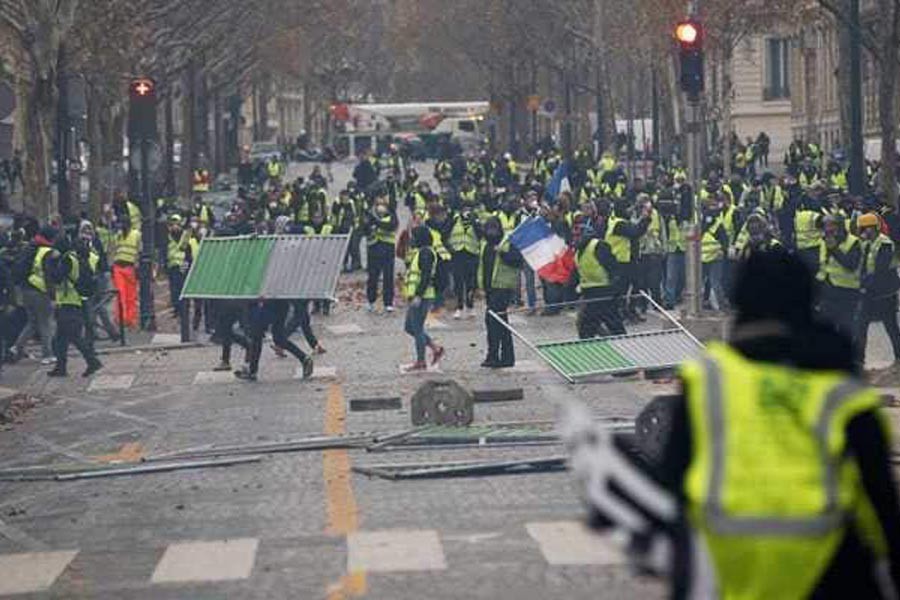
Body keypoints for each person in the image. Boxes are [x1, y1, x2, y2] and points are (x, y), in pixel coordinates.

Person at [651, 249, 900, 598]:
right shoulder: (840, 388)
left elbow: (672, 481)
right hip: (825, 564)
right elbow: (880, 498)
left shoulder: (708, 379)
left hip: (723, 558)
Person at [47, 235, 102, 378]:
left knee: (74, 336)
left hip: (69, 302)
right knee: (60, 339)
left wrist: (52, 261)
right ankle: (61, 368)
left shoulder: (67, 260)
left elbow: (57, 277)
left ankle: (92, 361)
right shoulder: (75, 258)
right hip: (73, 300)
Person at [816, 214, 862, 359]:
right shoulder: (825, 241)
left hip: (848, 291)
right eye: (825, 226)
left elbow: (851, 265)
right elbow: (823, 266)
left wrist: (834, 249)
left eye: (831, 225)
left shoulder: (853, 242)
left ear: (840, 226)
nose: (828, 229)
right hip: (829, 289)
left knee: (846, 327)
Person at [478, 217, 522, 368]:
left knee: (495, 322)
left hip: (503, 287)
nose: (491, 233)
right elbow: (482, 266)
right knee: (499, 323)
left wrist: (502, 253)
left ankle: (496, 356)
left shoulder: (507, 242)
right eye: (488, 229)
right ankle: (502, 357)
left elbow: (517, 260)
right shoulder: (485, 244)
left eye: (494, 229)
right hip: (490, 288)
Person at [858, 212, 900, 368]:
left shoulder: (885, 243)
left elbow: (880, 269)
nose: (864, 232)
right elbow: (864, 266)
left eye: (867, 228)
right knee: (861, 325)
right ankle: (859, 360)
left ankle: (898, 359)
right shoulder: (866, 243)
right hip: (871, 291)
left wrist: (866, 283)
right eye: (862, 228)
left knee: (891, 326)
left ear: (875, 228)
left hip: (885, 291)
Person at [236, 299, 313, 382]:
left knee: (257, 335)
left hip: (268, 304)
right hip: (276, 304)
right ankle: (304, 359)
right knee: (277, 338)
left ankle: (252, 371)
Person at [402, 225, 445, 372]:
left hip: (422, 296)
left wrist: (418, 295)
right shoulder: (421, 252)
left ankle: (421, 361)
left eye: (414, 236)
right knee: (409, 327)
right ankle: (435, 348)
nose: (412, 239)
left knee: (417, 328)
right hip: (417, 296)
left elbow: (425, 276)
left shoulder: (426, 253)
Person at [12, 226, 58, 364]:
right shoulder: (47, 251)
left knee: (33, 322)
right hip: (40, 290)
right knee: (45, 323)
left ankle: (17, 347)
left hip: (26, 289)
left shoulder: (30, 246)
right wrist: (53, 295)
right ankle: (47, 354)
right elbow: (49, 276)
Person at [574, 218, 624, 339]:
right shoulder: (578, 251)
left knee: (612, 324)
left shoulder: (598, 246)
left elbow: (613, 267)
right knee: (587, 327)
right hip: (589, 292)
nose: (575, 239)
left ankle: (624, 345)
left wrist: (615, 289)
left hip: (604, 292)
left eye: (578, 236)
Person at [364, 196, 398, 312]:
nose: (380, 206)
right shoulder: (369, 216)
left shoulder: (391, 216)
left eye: (383, 204)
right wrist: (369, 222)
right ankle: (370, 301)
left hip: (387, 249)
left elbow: (391, 226)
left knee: (388, 277)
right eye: (378, 204)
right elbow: (364, 229)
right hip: (373, 248)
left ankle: (388, 302)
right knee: (372, 277)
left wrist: (376, 222)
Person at [449, 200, 480, 319]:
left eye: (469, 209)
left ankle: (470, 306)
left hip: (471, 253)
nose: (466, 211)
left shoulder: (475, 219)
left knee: (470, 282)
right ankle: (459, 306)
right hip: (458, 253)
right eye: (464, 209)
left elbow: (480, 233)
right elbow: (446, 231)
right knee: (458, 282)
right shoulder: (454, 219)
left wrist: (474, 221)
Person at [110, 216, 141, 328]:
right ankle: (121, 319)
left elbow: (139, 250)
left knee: (131, 296)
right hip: (119, 267)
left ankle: (130, 320)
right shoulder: (118, 235)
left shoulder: (136, 234)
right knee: (121, 294)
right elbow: (113, 250)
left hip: (130, 267)